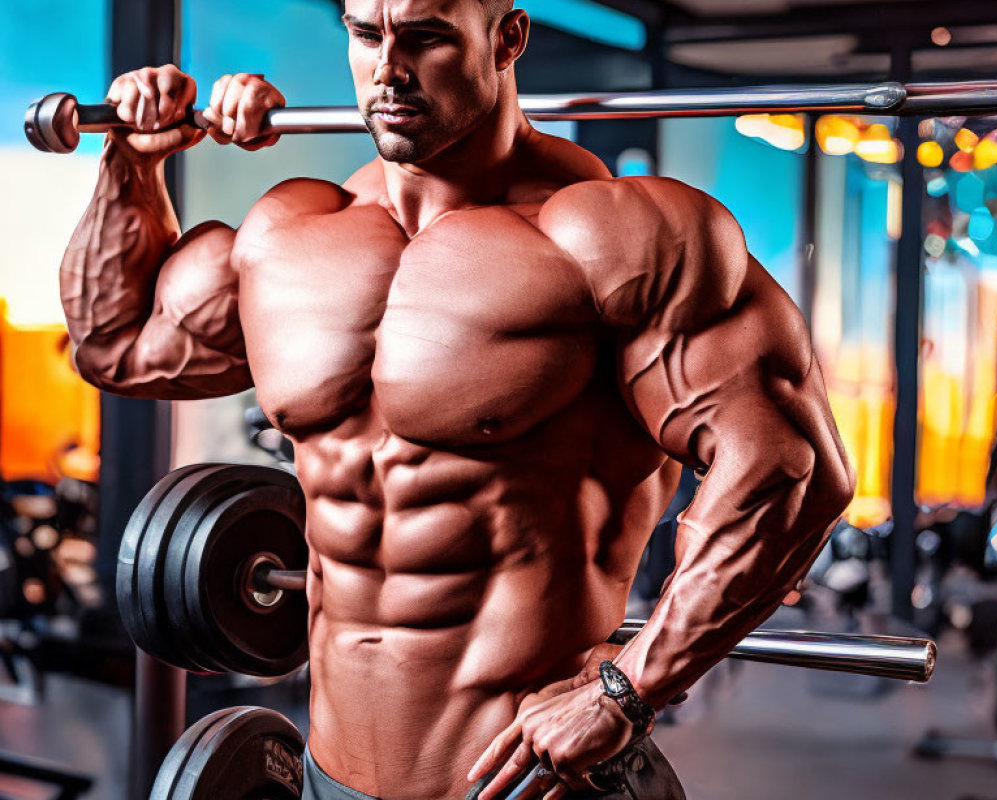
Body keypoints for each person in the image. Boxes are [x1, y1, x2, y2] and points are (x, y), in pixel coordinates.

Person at [59, 0, 854, 798]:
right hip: (323, 777)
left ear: (508, 38)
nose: (388, 70)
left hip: (530, 781)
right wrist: (133, 160)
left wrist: (628, 692)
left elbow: (791, 465)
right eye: (366, 35)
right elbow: (117, 344)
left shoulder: (615, 238)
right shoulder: (289, 236)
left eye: (426, 37)